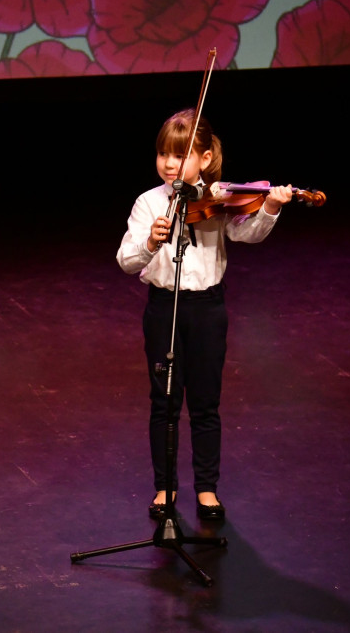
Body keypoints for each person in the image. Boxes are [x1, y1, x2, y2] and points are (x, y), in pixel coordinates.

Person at [116, 109, 292, 521]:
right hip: (164, 308)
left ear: (206, 158)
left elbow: (246, 233)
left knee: (205, 404)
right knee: (164, 402)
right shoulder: (149, 202)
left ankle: (207, 489)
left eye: (180, 155)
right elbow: (126, 260)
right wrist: (150, 242)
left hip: (208, 308)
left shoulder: (218, 197)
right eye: (163, 154)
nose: (170, 164)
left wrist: (269, 209)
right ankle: (165, 488)